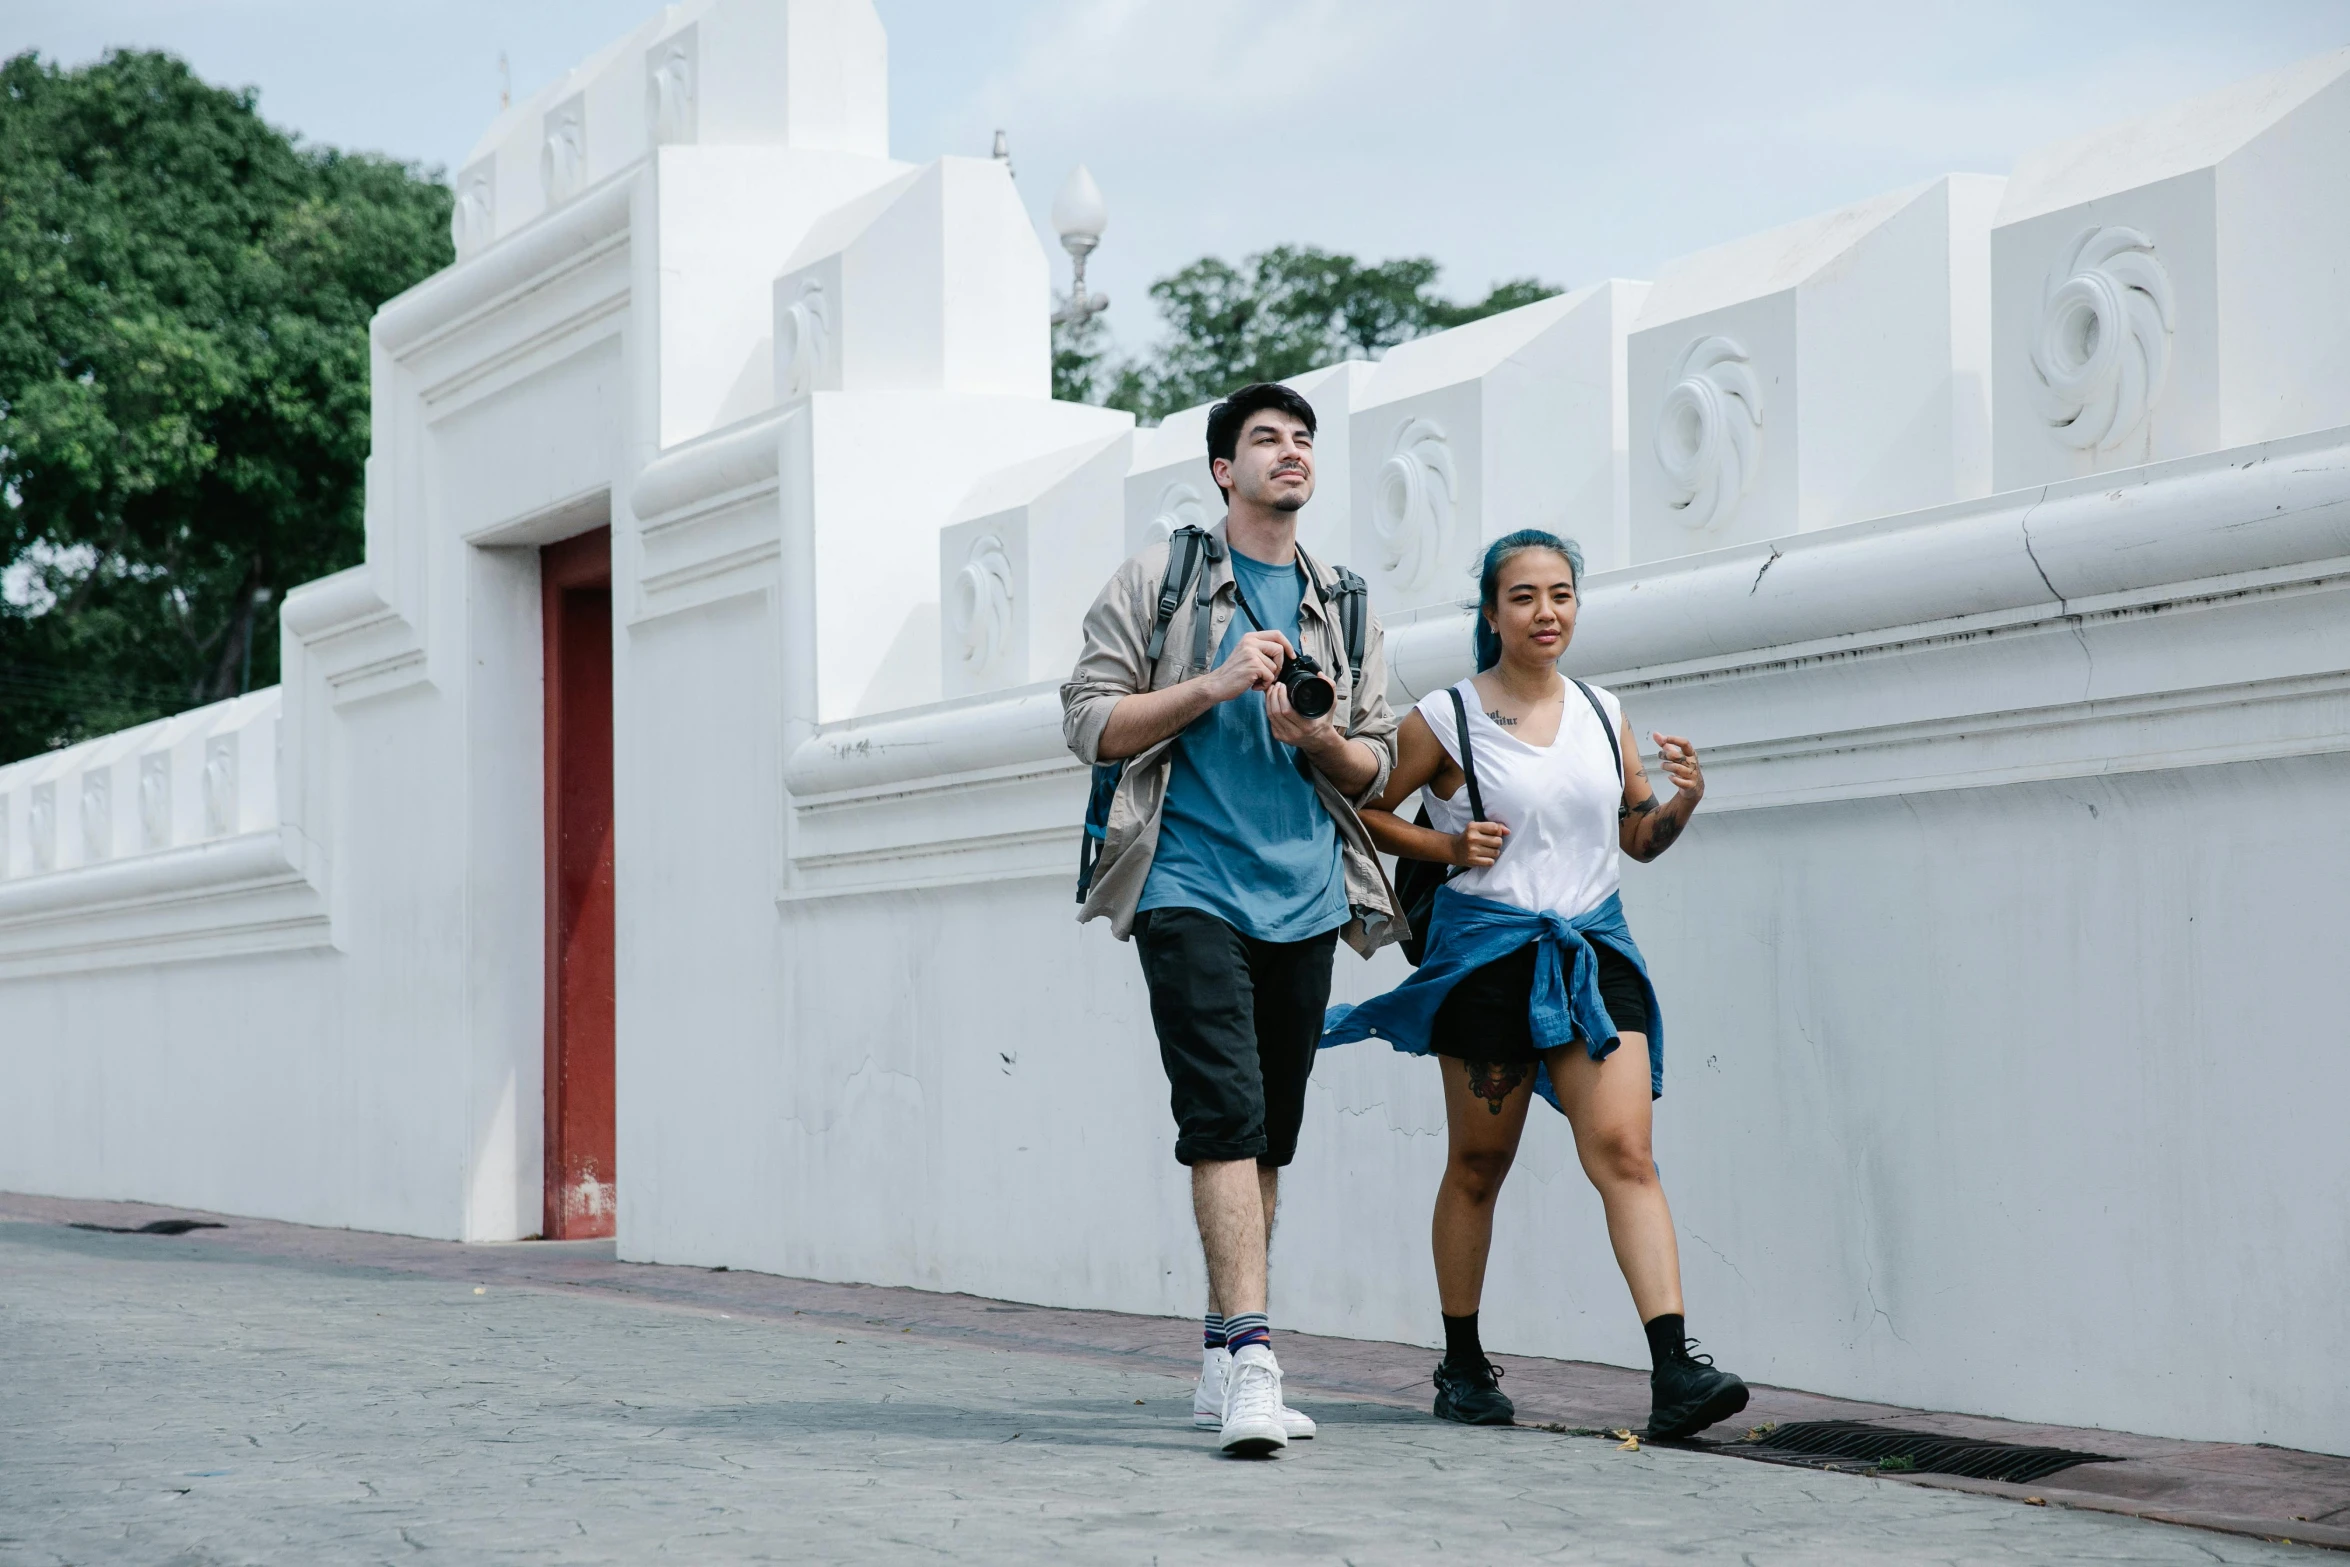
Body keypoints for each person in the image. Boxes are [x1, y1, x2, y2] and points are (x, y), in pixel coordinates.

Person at [1324, 529, 1748, 1441]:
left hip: (1595, 952)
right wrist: (1446, 846)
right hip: (1488, 958)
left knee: (1626, 1153)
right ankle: (1464, 1362)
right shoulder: (1446, 718)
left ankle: (1675, 1367)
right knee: (1480, 1164)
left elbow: (1636, 837)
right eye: (1523, 596)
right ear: (1491, 612)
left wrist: (1682, 802)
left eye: (1561, 594)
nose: (1545, 612)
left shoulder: (1604, 710)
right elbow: (1362, 813)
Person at [1061, 382, 1401, 1457]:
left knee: (1267, 1136)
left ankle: (1217, 1359)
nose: (1290, 454)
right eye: (1266, 440)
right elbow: (1088, 724)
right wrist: (1211, 686)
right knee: (1224, 1114)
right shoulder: (1159, 579)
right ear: (1223, 470)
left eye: (1303, 440)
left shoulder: (1341, 600)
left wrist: (1314, 736)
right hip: (1186, 883)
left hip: (1304, 897)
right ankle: (1256, 1357)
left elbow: (1378, 761)